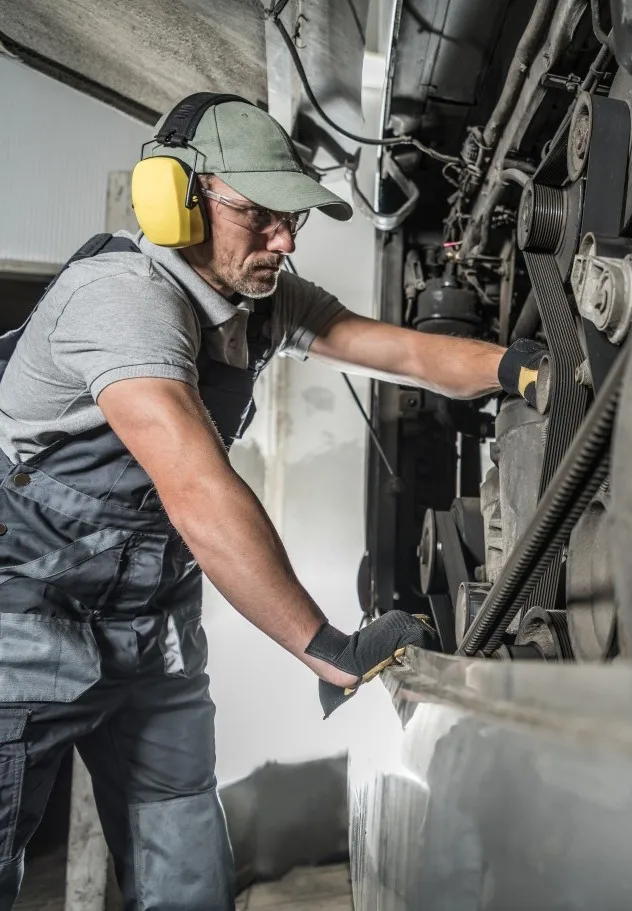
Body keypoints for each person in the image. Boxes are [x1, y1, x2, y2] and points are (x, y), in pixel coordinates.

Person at [0, 95, 545, 909]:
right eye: (258, 214)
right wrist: (324, 644)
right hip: (25, 624)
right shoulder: (122, 298)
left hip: (154, 635)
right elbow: (198, 491)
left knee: (189, 880)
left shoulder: (264, 304)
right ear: (175, 199)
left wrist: (523, 369)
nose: (284, 240)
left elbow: (400, 350)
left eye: (291, 218)